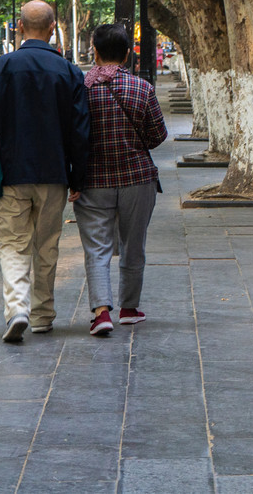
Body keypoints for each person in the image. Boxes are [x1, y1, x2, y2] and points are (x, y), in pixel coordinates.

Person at [0, 0, 90, 343]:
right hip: (55, 171)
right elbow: (80, 130)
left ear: (19, 28)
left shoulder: (0, 67)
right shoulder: (69, 72)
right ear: (53, 28)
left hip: (12, 170)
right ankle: (42, 314)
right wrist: (78, 176)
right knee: (47, 244)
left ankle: (17, 310)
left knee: (13, 243)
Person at [70, 24, 167, 336]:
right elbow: (158, 135)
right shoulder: (142, 88)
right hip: (137, 179)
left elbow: (71, 136)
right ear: (128, 53)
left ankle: (101, 313)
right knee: (133, 244)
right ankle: (129, 308)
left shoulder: (80, 90)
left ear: (94, 52)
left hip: (92, 181)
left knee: (96, 248)